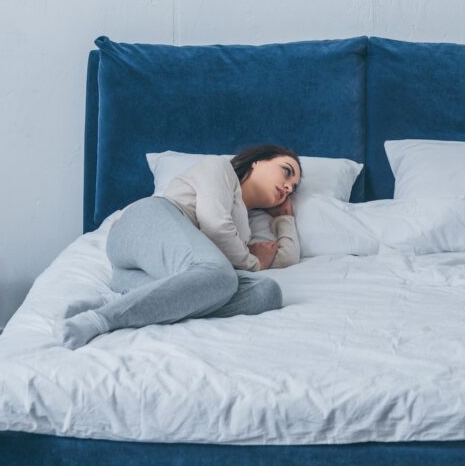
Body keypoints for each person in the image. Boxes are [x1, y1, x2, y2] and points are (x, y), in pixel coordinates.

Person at [60, 143, 302, 349]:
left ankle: (120, 301)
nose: (289, 187)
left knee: (266, 292)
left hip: (152, 272)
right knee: (222, 276)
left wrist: (285, 220)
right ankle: (100, 319)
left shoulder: (248, 226)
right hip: (146, 223)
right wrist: (253, 262)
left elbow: (285, 259)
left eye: (294, 187)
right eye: (287, 171)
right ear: (257, 162)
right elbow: (216, 226)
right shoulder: (219, 168)